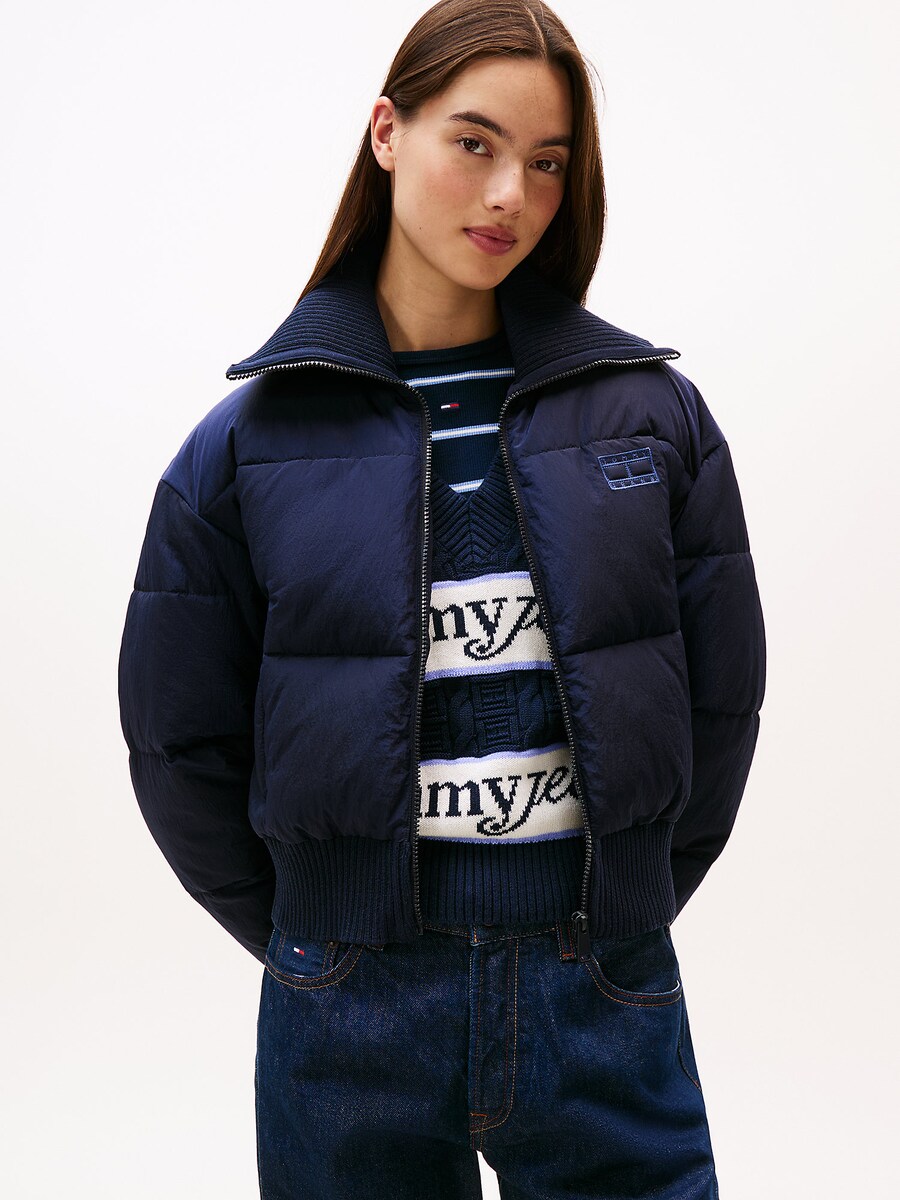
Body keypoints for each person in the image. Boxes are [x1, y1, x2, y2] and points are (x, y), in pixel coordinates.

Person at [117, 1, 766, 1195]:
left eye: (548, 162)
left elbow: (723, 703)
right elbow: (177, 742)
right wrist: (319, 934)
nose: (511, 193)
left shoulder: (651, 418)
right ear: (386, 133)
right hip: (348, 1001)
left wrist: (627, 903)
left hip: (603, 984)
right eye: (475, 143)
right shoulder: (246, 447)